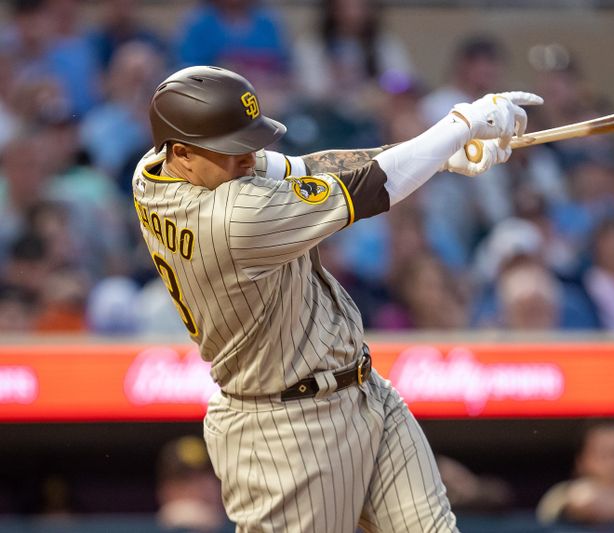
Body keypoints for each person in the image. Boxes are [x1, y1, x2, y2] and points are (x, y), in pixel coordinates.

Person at [133, 65, 541, 531]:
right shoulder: (232, 219)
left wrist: (437, 157)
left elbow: (309, 169)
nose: (248, 159)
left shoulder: (153, 172)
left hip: (364, 391)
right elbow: (370, 188)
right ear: (182, 153)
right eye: (233, 151)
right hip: (285, 430)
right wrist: (457, 127)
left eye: (249, 143)